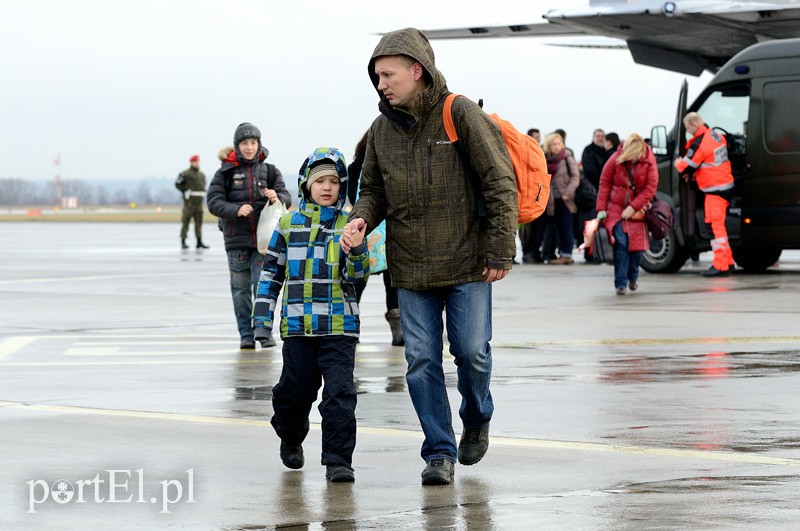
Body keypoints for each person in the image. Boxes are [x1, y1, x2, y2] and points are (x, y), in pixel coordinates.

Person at [341, 27, 517, 486]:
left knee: (472, 353)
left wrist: (501, 248)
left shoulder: (458, 113)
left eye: (388, 74)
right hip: (411, 267)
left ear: (416, 70)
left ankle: (477, 417)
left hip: (468, 261)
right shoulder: (381, 129)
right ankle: (439, 451)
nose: (381, 84)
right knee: (421, 359)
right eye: (376, 77)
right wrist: (361, 218)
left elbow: (500, 182)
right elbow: (373, 189)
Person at [253, 146, 370, 483]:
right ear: (306, 184)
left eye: (334, 181)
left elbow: (359, 275)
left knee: (339, 395)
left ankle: (338, 460)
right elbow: (270, 275)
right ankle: (290, 432)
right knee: (295, 392)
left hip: (338, 326)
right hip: (298, 326)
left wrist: (358, 249)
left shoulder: (350, 224)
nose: (327, 187)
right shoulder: (288, 225)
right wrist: (262, 321)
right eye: (320, 180)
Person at [206, 122, 292, 350]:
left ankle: (263, 331)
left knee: (263, 285)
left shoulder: (271, 171)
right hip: (237, 242)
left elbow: (287, 197)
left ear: (259, 144)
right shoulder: (225, 172)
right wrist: (235, 210)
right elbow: (213, 202)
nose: (249, 147)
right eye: (245, 143)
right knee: (241, 290)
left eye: (253, 142)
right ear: (237, 146)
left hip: (265, 243)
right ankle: (245, 334)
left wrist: (277, 197)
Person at [347, 131, 404, 346]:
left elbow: (353, 197)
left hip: (366, 228)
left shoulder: (356, 166)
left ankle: (352, 326)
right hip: (382, 228)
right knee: (391, 281)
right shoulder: (385, 161)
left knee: (358, 279)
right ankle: (397, 331)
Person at [674, 112, 736, 277]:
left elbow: (685, 166)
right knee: (717, 226)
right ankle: (728, 261)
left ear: (694, 125)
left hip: (716, 189)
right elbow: (709, 161)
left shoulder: (700, 143)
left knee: (715, 227)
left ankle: (720, 265)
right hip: (725, 185)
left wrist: (677, 162)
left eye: (687, 128)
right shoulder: (715, 135)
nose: (687, 131)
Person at [596, 133, 658, 294]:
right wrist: (601, 209)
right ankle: (620, 284)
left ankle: (633, 278)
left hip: (638, 212)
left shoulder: (649, 161)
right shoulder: (616, 158)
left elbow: (650, 188)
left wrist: (634, 207)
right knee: (621, 245)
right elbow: (604, 183)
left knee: (637, 249)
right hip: (615, 210)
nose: (634, 158)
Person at [543, 132, 580, 264]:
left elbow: (576, 177)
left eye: (559, 143)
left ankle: (566, 255)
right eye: (554, 144)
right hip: (552, 200)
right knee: (556, 227)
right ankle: (558, 253)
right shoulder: (544, 158)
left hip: (566, 199)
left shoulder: (566, 157)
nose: (557, 147)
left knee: (566, 227)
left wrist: (567, 193)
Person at [175, 154, 209, 249]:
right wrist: (185, 190)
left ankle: (199, 241)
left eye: (198, 161)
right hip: (189, 203)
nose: (197, 163)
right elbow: (177, 184)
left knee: (199, 223)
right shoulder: (185, 173)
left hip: (199, 203)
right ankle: (183, 241)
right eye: (195, 161)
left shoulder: (201, 175)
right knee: (186, 221)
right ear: (191, 162)